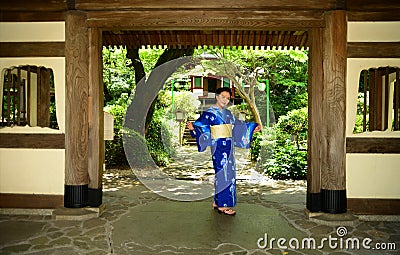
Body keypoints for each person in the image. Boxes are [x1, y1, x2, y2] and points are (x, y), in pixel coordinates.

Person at [187, 87, 261, 215]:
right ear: (217, 97)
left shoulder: (228, 114)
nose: (225, 100)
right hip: (218, 146)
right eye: (223, 97)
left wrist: (251, 128)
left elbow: (238, 126)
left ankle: (217, 201)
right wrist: (193, 128)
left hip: (229, 146)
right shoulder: (209, 113)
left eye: (228, 98)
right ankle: (223, 205)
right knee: (224, 174)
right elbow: (200, 126)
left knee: (225, 173)